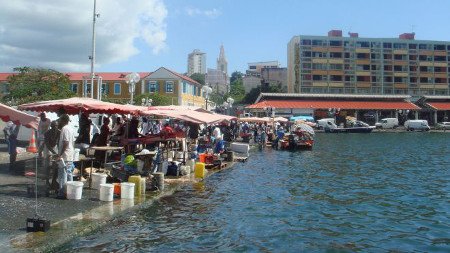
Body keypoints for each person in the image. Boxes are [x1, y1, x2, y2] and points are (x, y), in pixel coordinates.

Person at [56, 114, 75, 199]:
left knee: (63, 174)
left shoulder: (65, 129)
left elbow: (66, 143)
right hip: (70, 154)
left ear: (63, 120)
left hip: (65, 155)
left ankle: (62, 193)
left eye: (60, 120)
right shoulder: (71, 128)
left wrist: (60, 155)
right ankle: (71, 191)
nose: (59, 122)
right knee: (69, 173)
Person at [44, 120, 60, 186]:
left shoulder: (60, 132)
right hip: (48, 148)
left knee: (56, 165)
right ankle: (47, 180)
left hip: (55, 147)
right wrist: (54, 153)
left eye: (56, 126)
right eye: (53, 126)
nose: (55, 127)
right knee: (48, 165)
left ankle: (54, 180)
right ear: (51, 126)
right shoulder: (47, 133)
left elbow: (59, 143)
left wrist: (59, 152)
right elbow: (47, 144)